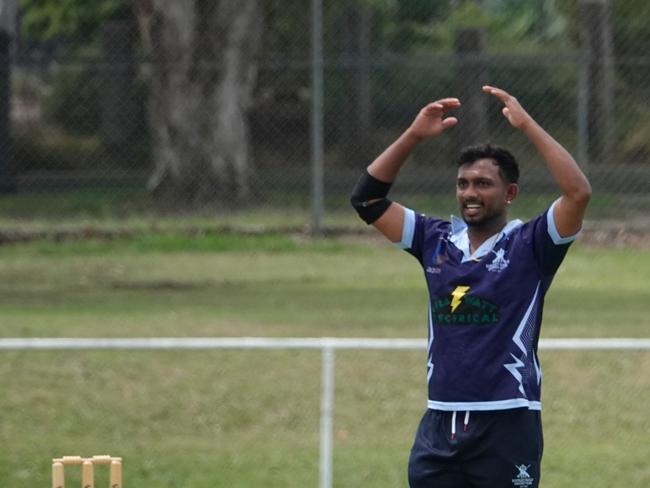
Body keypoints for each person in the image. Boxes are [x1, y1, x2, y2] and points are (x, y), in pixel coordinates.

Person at [350, 86, 591, 488]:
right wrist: (413, 135)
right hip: (439, 424)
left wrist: (527, 124)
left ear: (510, 193)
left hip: (507, 421)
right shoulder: (434, 239)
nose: (470, 194)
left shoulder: (532, 244)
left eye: (483, 184)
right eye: (463, 184)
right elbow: (367, 200)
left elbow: (578, 192)